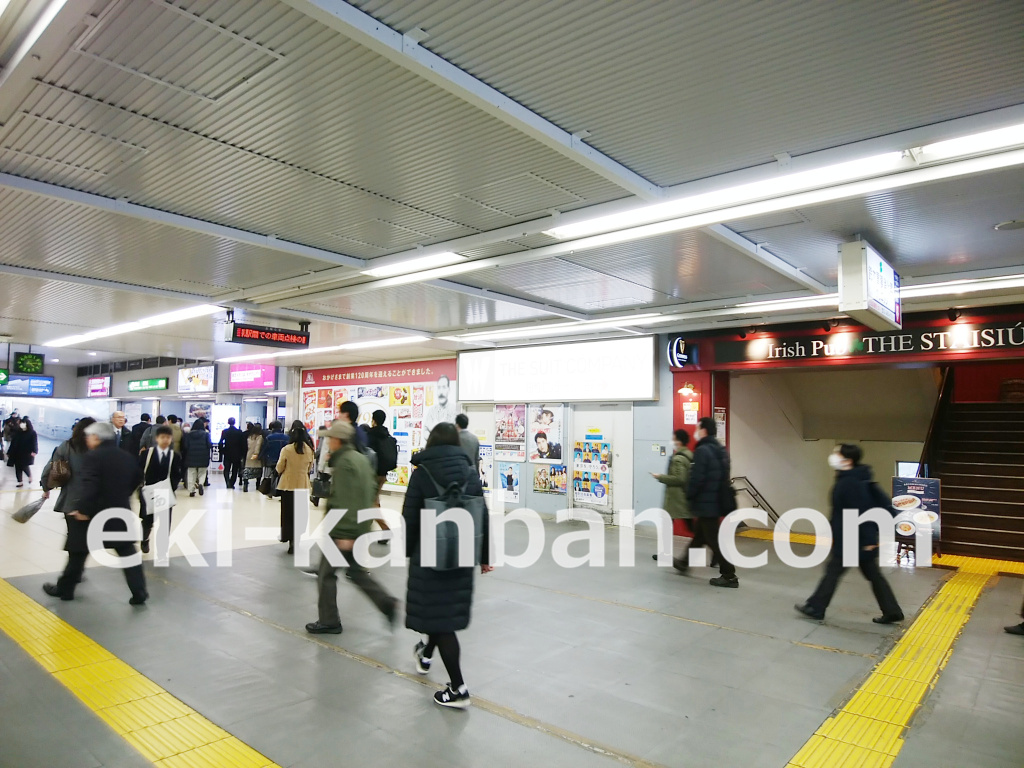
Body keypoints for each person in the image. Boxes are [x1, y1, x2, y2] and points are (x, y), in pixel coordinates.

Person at [404, 422, 492, 709]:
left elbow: (411, 516)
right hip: (463, 551)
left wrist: (409, 551)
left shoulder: (422, 473)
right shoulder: (469, 472)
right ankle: (426, 655)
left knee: (440, 619)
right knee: (441, 611)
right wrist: (485, 556)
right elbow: (482, 513)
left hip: (430, 553)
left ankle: (458, 688)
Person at [306, 421, 398, 635]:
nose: (328, 442)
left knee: (326, 575)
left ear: (338, 440)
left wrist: (347, 535)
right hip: (356, 528)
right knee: (356, 573)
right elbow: (369, 497)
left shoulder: (346, 464)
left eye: (330, 438)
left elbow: (348, 500)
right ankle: (386, 603)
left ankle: (329, 620)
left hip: (343, 531)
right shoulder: (361, 459)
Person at [795, 444, 904, 624]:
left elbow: (860, 512)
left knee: (834, 571)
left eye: (837, 453)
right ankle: (892, 610)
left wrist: (867, 540)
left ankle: (816, 607)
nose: (833, 456)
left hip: (853, 538)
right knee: (872, 575)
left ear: (848, 460)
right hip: (854, 537)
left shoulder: (850, 482)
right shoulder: (853, 478)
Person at [42, 422, 148, 605]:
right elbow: (138, 477)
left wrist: (83, 509)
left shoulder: (93, 457)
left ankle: (65, 590)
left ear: (97, 438)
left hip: (93, 515)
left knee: (78, 552)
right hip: (119, 511)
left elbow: (89, 486)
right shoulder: (125, 456)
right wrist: (122, 495)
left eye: (90, 437)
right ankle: (139, 591)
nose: (88, 441)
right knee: (126, 551)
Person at [41, 417, 97, 584]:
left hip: (71, 500)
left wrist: (46, 487)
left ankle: (70, 578)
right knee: (83, 539)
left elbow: (51, 468)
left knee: (74, 538)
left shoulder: (67, 446)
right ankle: (75, 574)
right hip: (92, 501)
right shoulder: (97, 448)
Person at [685, 416, 739, 588]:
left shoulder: (702, 451)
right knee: (700, 535)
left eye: (697, 428)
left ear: (704, 430)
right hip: (716, 501)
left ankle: (729, 575)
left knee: (713, 540)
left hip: (706, 502)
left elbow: (697, 478)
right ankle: (683, 563)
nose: (696, 431)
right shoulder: (721, 450)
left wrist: (689, 494)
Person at [138, 425, 184, 554]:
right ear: (157, 438)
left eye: (168, 438)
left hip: (165, 492)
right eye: (162, 437)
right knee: (147, 520)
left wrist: (171, 487)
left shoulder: (174, 456)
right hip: (148, 492)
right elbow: (139, 471)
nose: (165, 440)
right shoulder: (147, 454)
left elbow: (176, 474)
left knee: (165, 522)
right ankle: (144, 539)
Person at [650, 429, 693, 564]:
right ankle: (664, 552)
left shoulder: (679, 458)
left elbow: (679, 478)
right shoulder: (689, 455)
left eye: (674, 439)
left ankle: (665, 553)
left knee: (669, 525)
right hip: (684, 497)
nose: (672, 441)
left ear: (678, 441)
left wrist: (660, 477)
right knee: (688, 526)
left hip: (676, 499)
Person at [276, 421, 314, 555]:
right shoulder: (309, 450)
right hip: (302, 485)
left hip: (288, 485)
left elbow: (279, 467)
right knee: (300, 514)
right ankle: (296, 539)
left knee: (287, 514)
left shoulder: (287, 449)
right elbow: (310, 468)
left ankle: (288, 538)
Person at [367, 409, 399, 504]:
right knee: (375, 497)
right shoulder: (387, 435)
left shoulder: (370, 435)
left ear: (373, 420)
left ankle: (377, 517)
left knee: (371, 499)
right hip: (383, 474)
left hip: (373, 473)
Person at [183, 418, 212, 496]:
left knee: (191, 473)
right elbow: (209, 445)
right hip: (203, 456)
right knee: (202, 472)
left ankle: (191, 490)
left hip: (191, 456)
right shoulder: (206, 434)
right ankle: (201, 484)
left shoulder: (188, 434)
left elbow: (185, 446)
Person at [7, 416, 38, 487]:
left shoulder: (32, 433)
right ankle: (20, 482)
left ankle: (29, 476)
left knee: (24, 466)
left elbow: (34, 443)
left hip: (26, 452)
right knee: (17, 467)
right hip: (17, 452)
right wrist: (9, 452)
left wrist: (35, 451)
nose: (21, 424)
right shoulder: (18, 432)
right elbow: (13, 442)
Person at [262, 421, 290, 497]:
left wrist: (261, 457)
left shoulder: (269, 438)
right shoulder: (287, 438)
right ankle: (280, 492)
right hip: (283, 459)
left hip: (271, 459)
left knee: (272, 476)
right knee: (281, 476)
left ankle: (271, 492)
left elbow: (264, 449)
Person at [218, 417, 247, 489]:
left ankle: (227, 481)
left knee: (227, 469)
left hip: (227, 452)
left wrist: (222, 450)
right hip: (237, 453)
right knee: (235, 469)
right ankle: (232, 482)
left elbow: (221, 442)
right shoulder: (239, 432)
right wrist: (243, 454)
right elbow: (243, 444)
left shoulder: (225, 431)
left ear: (228, 422)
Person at [243, 423, 264, 493]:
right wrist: (256, 453)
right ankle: (257, 485)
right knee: (258, 470)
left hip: (248, 454)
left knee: (247, 470)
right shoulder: (260, 437)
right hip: (256, 455)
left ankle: (245, 484)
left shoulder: (250, 437)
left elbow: (247, 445)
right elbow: (258, 445)